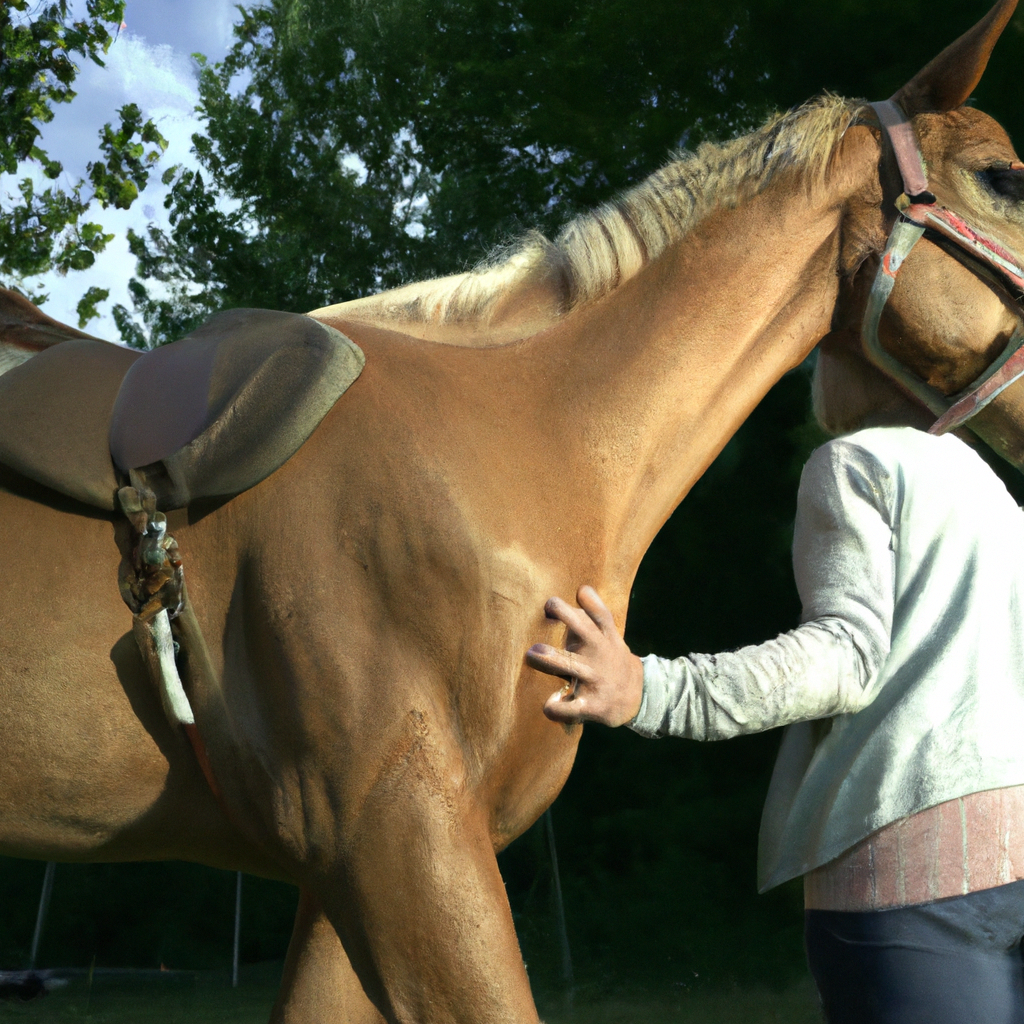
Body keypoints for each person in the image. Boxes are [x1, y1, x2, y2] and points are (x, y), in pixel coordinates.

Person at [526, 385, 1024, 1022]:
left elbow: (843, 657)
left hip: (909, 876)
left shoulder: (857, 461)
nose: (817, 365)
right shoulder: (989, 485)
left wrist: (649, 690)